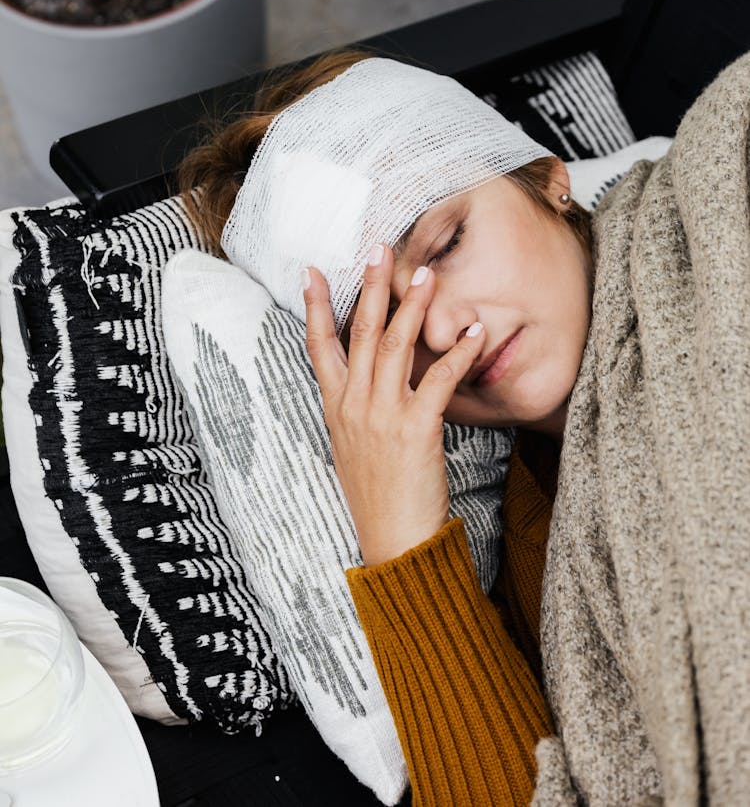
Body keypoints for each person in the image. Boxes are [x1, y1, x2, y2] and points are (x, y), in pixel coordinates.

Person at [178, 48, 750, 806]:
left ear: (547, 177)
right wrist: (401, 547)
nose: (443, 326)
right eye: (386, 327)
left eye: (446, 244)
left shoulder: (722, 180)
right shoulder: (541, 562)